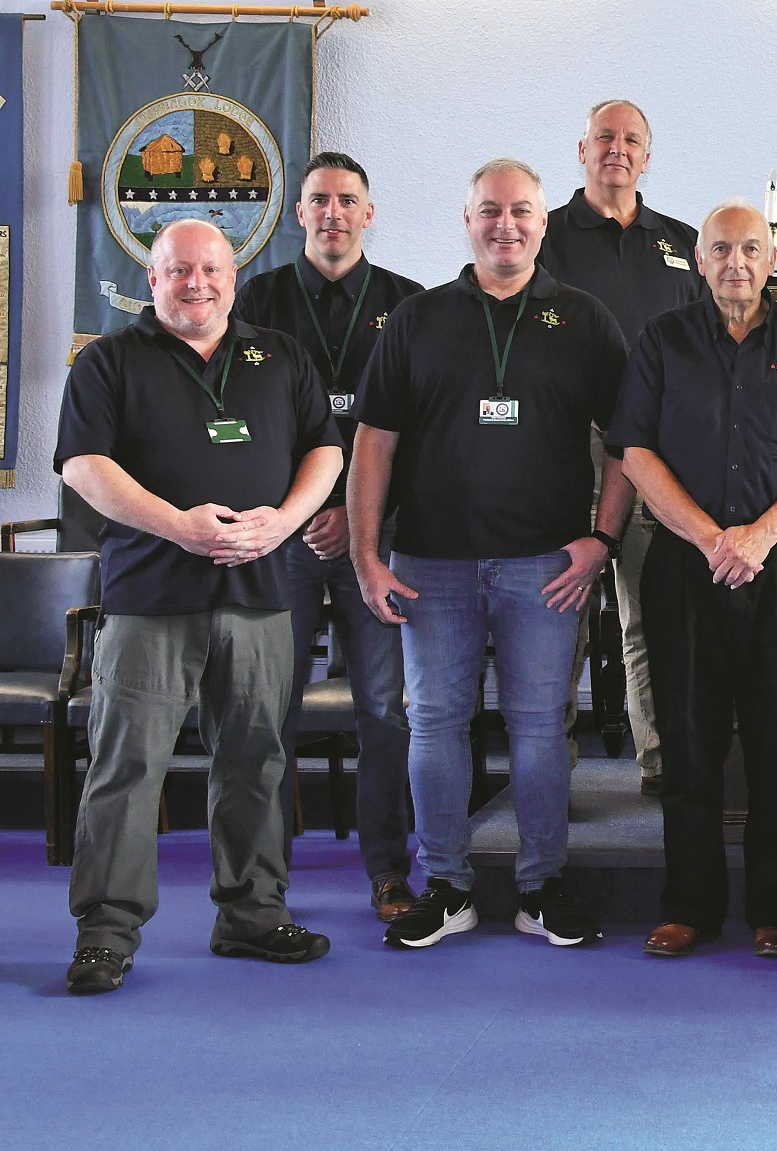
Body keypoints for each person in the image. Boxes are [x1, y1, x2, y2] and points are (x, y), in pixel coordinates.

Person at [56, 219, 343, 994]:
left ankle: (252, 913)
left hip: (260, 595)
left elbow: (326, 446)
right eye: (179, 270)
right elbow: (84, 467)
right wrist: (177, 525)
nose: (197, 283)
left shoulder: (280, 354)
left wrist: (284, 520)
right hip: (151, 596)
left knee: (256, 761)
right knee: (127, 765)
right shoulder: (109, 360)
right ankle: (106, 932)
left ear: (233, 275)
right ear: (152, 280)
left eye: (211, 269)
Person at [349, 159, 630, 951]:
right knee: (436, 722)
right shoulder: (417, 318)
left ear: (544, 224)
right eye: (489, 211)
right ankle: (446, 885)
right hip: (429, 565)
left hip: (544, 565)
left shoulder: (585, 319)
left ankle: (543, 885)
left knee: (540, 727)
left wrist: (602, 539)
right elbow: (372, 443)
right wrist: (368, 555)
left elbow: (628, 443)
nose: (505, 225)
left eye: (521, 212)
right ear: (465, 218)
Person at [609, 200, 777, 962]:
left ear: (769, 257)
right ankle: (690, 906)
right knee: (688, 743)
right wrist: (713, 536)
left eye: (750, 249)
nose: (736, 263)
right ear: (700, 258)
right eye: (721, 250)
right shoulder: (662, 340)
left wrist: (763, 533)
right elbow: (635, 452)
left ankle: (774, 908)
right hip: (687, 565)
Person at [234, 151, 426, 921]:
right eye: (320, 200)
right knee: (270, 709)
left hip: (372, 544)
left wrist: (356, 514)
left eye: (349, 199)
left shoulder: (409, 304)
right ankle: (264, 881)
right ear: (300, 213)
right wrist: (295, 510)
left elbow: (423, 431)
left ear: (369, 212)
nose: (334, 213)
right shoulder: (258, 298)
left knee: (382, 710)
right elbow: (242, 422)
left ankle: (387, 871)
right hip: (283, 539)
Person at [537, 99, 705, 795]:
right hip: (566, 444)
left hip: (654, 448)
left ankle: (662, 762)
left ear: (648, 153)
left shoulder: (682, 241)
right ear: (581, 150)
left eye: (631, 138)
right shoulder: (541, 236)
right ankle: (549, 768)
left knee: (651, 609)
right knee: (560, 613)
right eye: (604, 137)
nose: (617, 148)